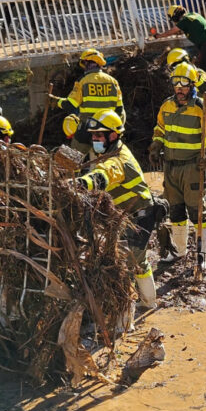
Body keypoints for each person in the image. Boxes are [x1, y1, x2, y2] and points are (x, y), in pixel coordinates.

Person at [75, 110, 157, 308]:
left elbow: (103, 177)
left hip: (140, 214)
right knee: (137, 260)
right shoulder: (106, 153)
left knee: (126, 264)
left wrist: (78, 185)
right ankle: (149, 302)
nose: (94, 139)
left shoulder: (118, 159)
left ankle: (126, 315)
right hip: (126, 215)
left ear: (113, 135)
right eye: (93, 135)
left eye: (98, 135)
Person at [149, 63, 206, 269]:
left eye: (184, 84)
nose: (179, 88)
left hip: (192, 168)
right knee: (176, 211)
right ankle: (179, 251)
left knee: (196, 210)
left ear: (192, 85)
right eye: (175, 83)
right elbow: (159, 129)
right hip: (171, 168)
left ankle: (202, 254)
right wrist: (156, 145)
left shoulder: (201, 107)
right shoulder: (167, 106)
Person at [56, 48, 125, 153]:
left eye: (84, 63)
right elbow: (119, 109)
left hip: (86, 127)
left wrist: (58, 101)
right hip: (107, 130)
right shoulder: (113, 81)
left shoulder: (83, 81)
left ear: (87, 63)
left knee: (72, 157)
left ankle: (73, 169)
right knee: (112, 157)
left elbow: (70, 104)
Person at [154, 5, 206, 99]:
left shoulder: (184, 21)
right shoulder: (193, 14)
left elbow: (171, 31)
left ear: (175, 16)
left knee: (204, 74)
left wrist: (159, 36)